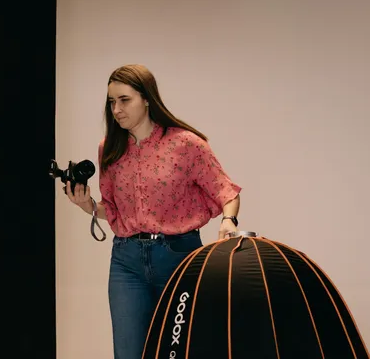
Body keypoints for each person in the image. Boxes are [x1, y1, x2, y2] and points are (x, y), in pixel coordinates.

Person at [66, 64, 242, 359]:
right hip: (126, 263)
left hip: (178, 258)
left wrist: (228, 220)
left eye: (124, 100)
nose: (116, 110)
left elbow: (227, 192)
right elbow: (112, 209)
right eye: (111, 102)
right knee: (128, 354)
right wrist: (87, 206)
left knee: (181, 352)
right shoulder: (109, 148)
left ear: (146, 99)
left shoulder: (185, 143)